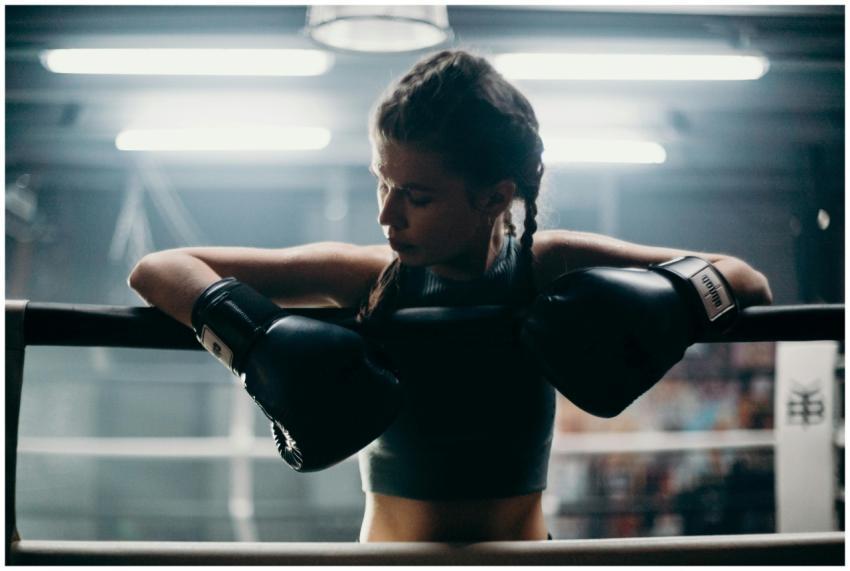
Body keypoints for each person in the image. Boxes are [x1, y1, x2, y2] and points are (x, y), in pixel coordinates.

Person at [128, 49, 773, 542]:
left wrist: (670, 304)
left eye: (417, 196)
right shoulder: (367, 275)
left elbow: (743, 278)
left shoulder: (545, 265)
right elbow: (159, 269)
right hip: (392, 561)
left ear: (494, 197)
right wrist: (257, 341)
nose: (387, 215)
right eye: (382, 183)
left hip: (523, 558)